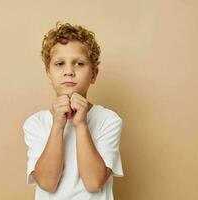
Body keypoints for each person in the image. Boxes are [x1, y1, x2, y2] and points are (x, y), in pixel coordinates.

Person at [22, 21, 124, 200]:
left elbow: (93, 183)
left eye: (79, 64)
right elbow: (47, 182)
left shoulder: (109, 120)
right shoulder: (35, 124)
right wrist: (57, 126)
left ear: (93, 74)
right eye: (60, 64)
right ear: (49, 74)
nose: (69, 71)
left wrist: (81, 125)